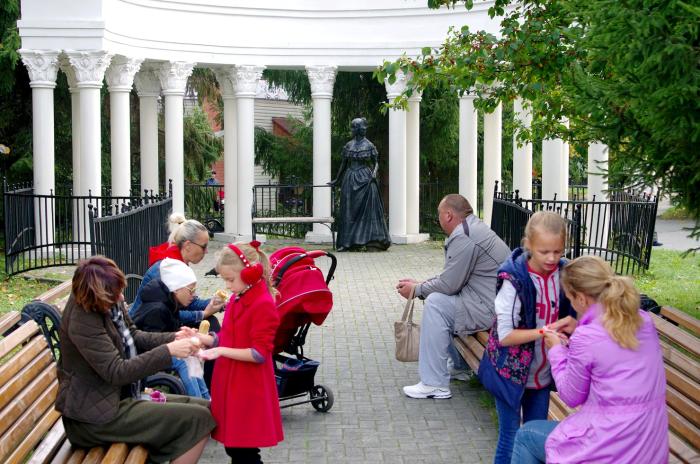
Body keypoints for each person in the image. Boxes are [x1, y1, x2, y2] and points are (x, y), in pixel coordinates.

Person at [55, 256, 215, 464]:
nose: (122, 297)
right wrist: (169, 350)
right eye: (116, 293)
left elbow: (134, 335)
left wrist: (174, 337)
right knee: (199, 419)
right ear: (97, 293)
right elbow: (116, 371)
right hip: (93, 418)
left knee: (206, 410)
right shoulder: (83, 318)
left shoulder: (106, 302)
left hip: (117, 399)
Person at [511, 255, 668, 464]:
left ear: (582, 299)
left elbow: (571, 396)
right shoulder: (643, 320)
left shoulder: (588, 338)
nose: (572, 304)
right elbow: (611, 345)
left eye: (571, 298)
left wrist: (556, 350)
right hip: (649, 446)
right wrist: (578, 328)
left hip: (611, 448)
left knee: (526, 435)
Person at [478, 211, 573, 464]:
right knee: (510, 436)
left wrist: (575, 324)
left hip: (541, 375)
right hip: (509, 373)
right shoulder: (514, 279)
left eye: (558, 251)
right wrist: (545, 332)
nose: (552, 258)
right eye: (544, 252)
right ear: (528, 244)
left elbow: (581, 309)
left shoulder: (564, 274)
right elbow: (505, 335)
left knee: (534, 437)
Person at [397, 194, 511, 399]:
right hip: (494, 304)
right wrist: (419, 285)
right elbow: (452, 279)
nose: (438, 219)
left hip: (489, 309)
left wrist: (417, 290)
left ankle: (434, 384)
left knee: (436, 304)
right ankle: (459, 368)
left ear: (448, 215)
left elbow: (449, 285)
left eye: (439, 214)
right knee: (441, 300)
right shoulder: (471, 228)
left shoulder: (464, 236)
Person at [197, 241, 284, 464]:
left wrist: (220, 350)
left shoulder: (263, 303)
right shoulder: (238, 297)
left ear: (250, 273)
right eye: (225, 279)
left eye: (230, 279)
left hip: (247, 387)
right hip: (231, 382)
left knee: (243, 451)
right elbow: (227, 337)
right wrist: (202, 338)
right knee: (235, 448)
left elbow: (258, 354)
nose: (227, 285)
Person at [132, 258, 213, 400]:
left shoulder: (170, 302)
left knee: (191, 355)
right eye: (191, 290)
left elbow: (170, 330)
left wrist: (187, 335)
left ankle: (206, 399)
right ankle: (200, 402)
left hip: (158, 350)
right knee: (184, 359)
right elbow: (152, 342)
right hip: (144, 358)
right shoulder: (157, 309)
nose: (193, 295)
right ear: (176, 288)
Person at [131, 214, 223, 330]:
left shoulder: (176, 263)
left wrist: (218, 303)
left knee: (210, 322)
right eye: (203, 247)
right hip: (144, 328)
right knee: (209, 323)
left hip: (162, 322)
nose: (206, 251)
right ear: (188, 245)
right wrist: (203, 314)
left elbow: (189, 302)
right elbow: (169, 313)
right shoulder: (165, 269)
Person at [329, 117, 391, 251]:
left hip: (366, 179)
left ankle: (371, 241)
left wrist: (374, 173)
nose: (364, 130)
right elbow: (344, 164)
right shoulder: (349, 145)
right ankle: (347, 243)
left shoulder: (369, 145)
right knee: (349, 211)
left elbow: (376, 162)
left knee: (368, 211)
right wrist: (337, 179)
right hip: (350, 179)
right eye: (361, 127)